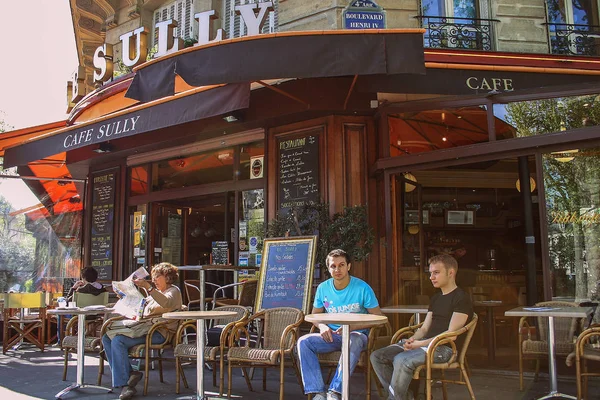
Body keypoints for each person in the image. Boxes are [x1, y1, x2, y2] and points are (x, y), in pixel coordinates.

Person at [370, 254, 473, 400]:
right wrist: (412, 340)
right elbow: (424, 329)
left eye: (436, 273)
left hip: (445, 349)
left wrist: (421, 343)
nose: (431, 277)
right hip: (425, 345)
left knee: (402, 359)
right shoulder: (436, 298)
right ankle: (406, 397)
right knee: (377, 356)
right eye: (430, 273)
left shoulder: (461, 298)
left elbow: (452, 334)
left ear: (451, 273)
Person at [297, 249, 383, 400]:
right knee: (304, 342)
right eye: (333, 266)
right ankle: (317, 392)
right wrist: (323, 327)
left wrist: (351, 328)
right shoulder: (323, 288)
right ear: (329, 269)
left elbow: (378, 318)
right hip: (333, 336)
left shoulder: (362, 288)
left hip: (357, 336)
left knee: (353, 339)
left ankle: (335, 391)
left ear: (348, 266)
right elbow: (314, 315)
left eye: (341, 265)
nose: (337, 269)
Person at [101, 263, 183, 400]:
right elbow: (141, 306)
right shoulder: (154, 294)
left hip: (159, 333)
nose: (154, 280)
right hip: (145, 328)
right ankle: (130, 374)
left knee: (118, 340)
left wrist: (148, 287)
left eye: (157, 276)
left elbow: (166, 303)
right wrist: (124, 296)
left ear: (168, 277)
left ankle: (125, 384)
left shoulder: (173, 291)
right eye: (153, 277)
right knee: (106, 338)